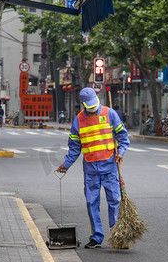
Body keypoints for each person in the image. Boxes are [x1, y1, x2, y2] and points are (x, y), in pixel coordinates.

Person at [56, 87, 130, 249]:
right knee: (91, 202)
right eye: (89, 107)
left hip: (110, 167)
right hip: (90, 169)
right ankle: (97, 236)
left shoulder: (110, 114)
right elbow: (75, 147)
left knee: (114, 201)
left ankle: (116, 235)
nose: (93, 109)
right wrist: (66, 165)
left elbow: (123, 137)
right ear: (83, 104)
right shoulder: (78, 120)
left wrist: (121, 153)